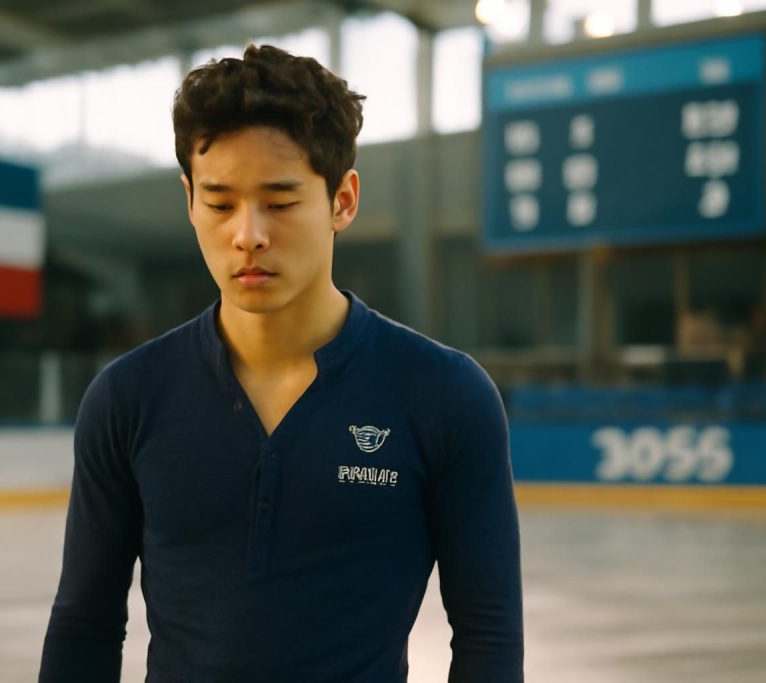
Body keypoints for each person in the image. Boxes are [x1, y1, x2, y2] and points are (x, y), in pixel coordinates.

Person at [39, 44, 523, 682]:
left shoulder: (444, 395)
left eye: (281, 201)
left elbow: (489, 634)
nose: (248, 235)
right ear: (189, 200)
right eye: (220, 204)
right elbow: (85, 624)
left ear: (342, 200)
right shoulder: (128, 399)